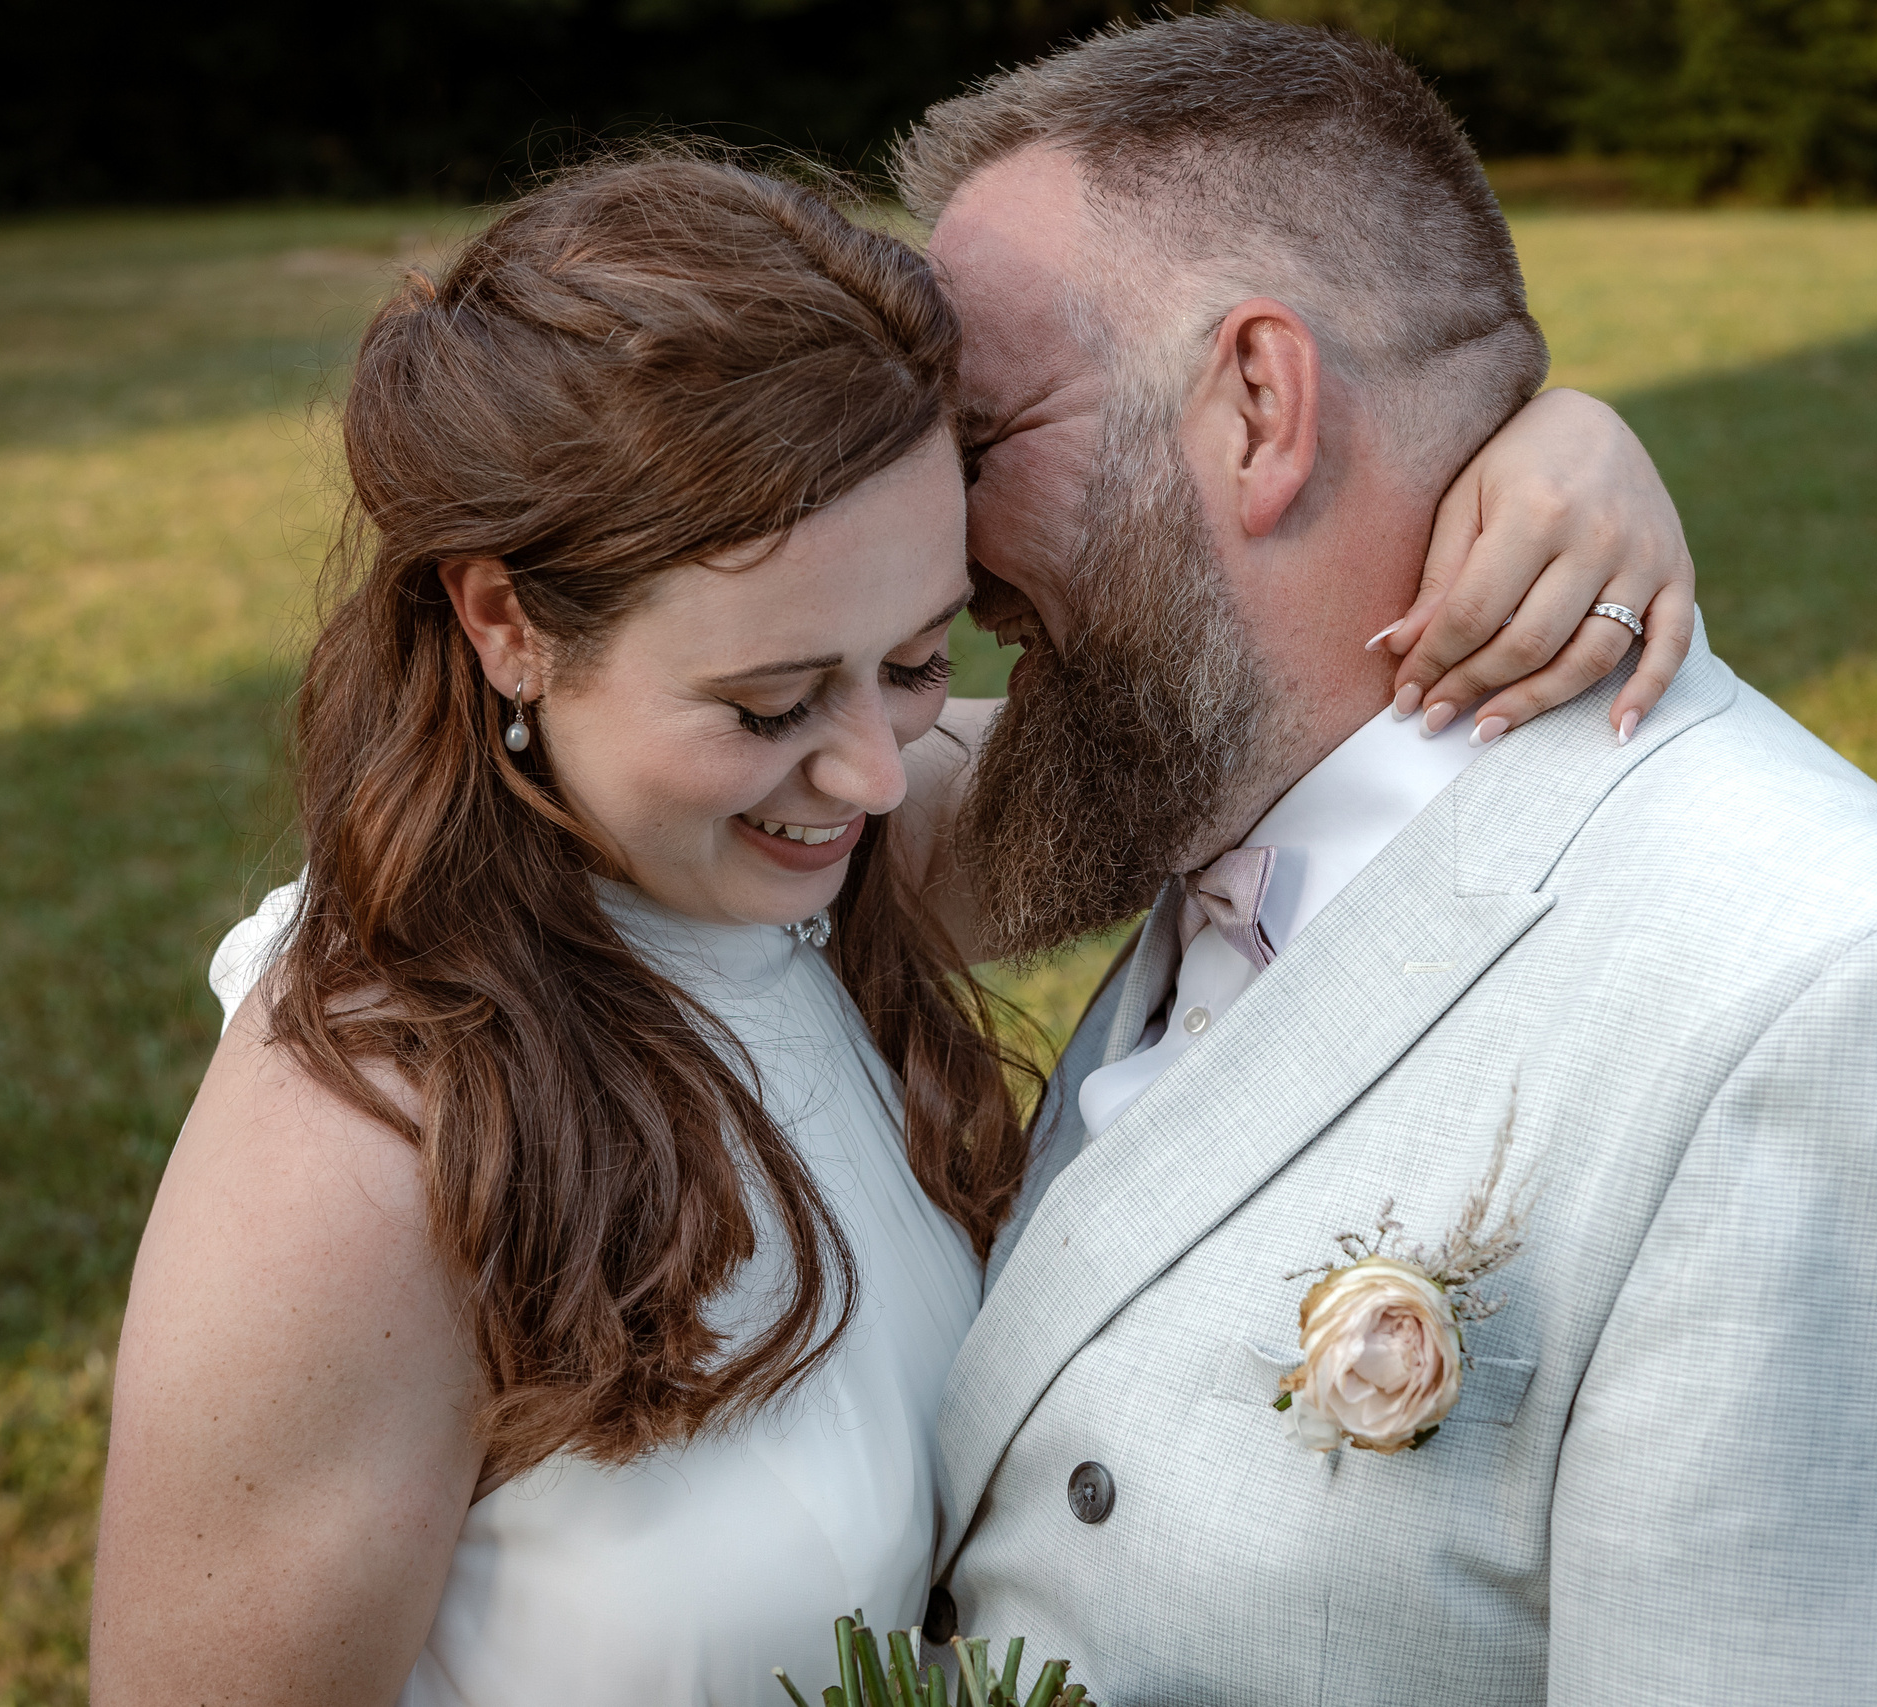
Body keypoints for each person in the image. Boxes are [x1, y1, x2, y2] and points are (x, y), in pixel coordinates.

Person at [87, 146, 1698, 1705]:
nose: (872, 772)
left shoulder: (802, 855)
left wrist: (1548, 449)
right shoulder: (358, 1142)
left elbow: (1267, 713)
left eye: (921, 660)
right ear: (506, 622)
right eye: (769, 701)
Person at [901, 14, 1877, 1706]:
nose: (939, 552)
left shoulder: (1845, 1015)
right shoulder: (1188, 768)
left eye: (980, 444)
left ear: (1262, 405)